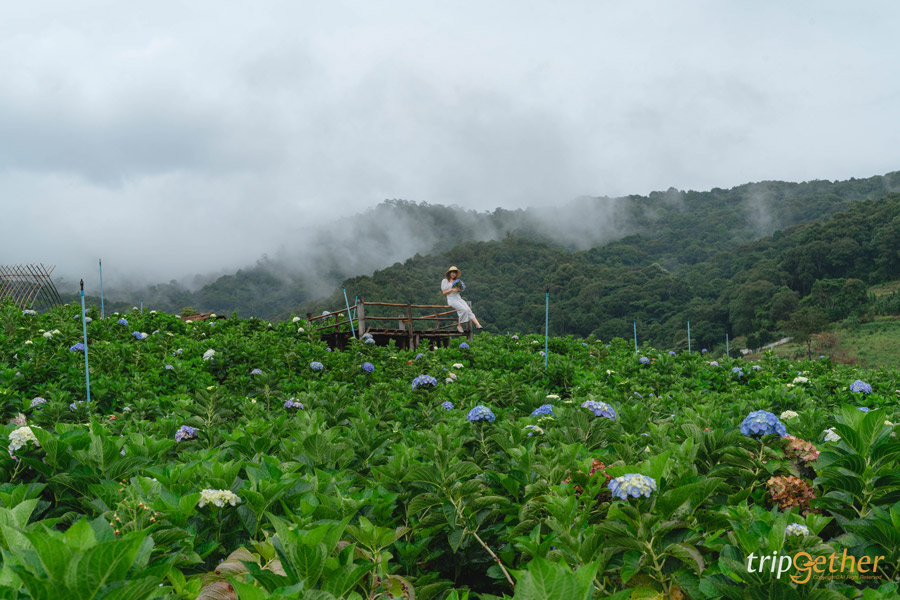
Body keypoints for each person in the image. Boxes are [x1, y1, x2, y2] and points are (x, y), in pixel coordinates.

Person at [441, 266, 482, 333]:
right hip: (451, 299)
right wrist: (452, 289)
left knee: (468, 309)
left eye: (455, 273)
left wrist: (458, 289)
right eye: (452, 272)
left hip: (458, 298)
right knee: (464, 310)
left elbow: (458, 292)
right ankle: (459, 326)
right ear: (449, 273)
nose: (453, 274)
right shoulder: (445, 281)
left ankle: (478, 324)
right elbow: (444, 292)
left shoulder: (457, 281)